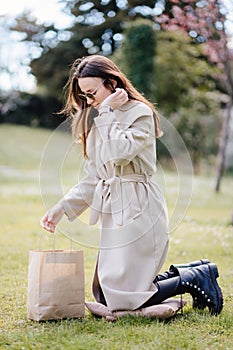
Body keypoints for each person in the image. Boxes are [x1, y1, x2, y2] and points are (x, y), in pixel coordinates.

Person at [40, 55, 223, 315]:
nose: (90, 102)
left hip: (138, 204)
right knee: (104, 292)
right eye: (85, 97)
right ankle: (195, 273)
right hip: (114, 206)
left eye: (92, 94)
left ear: (112, 83)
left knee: (123, 296)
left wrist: (106, 113)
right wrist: (61, 208)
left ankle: (193, 278)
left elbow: (120, 153)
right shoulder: (97, 118)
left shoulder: (140, 112)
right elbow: (95, 175)